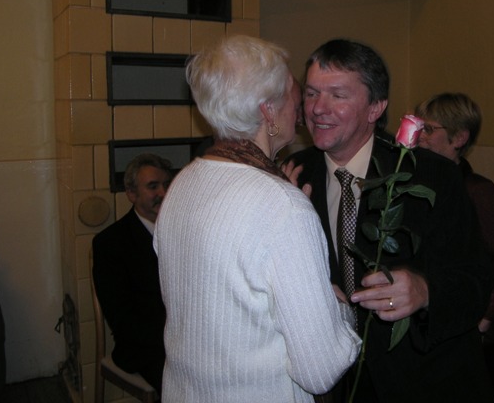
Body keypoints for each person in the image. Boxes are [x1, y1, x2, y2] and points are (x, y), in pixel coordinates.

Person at [153, 35, 360, 403]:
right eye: (294, 92)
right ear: (268, 112)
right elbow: (320, 371)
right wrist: (341, 309)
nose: (301, 106)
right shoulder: (284, 207)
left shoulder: (183, 183)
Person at [287, 39, 494, 402]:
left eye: (338, 95)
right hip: (341, 386)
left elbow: (476, 281)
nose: (318, 108)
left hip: (426, 382)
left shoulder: (431, 176)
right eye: (312, 93)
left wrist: (426, 291)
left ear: (376, 107)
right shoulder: (293, 176)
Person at [415, 92, 494, 391]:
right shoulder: (416, 183)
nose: (419, 136)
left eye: (429, 129)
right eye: (419, 127)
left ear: (459, 138)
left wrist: (484, 322)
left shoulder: (478, 191)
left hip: (467, 328)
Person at [92, 153, 173, 394]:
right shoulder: (110, 243)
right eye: (153, 186)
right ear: (131, 194)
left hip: (184, 340)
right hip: (145, 348)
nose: (163, 193)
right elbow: (123, 320)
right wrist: (175, 340)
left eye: (166, 184)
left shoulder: (183, 231)